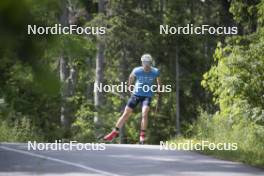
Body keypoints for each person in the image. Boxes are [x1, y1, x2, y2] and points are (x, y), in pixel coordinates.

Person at [103, 54, 161, 144]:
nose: (146, 65)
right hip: (136, 95)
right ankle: (115, 132)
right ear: (142, 63)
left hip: (147, 96)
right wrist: (129, 87)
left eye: (148, 63)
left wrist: (159, 88)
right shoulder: (137, 70)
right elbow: (131, 77)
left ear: (150, 63)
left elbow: (158, 79)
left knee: (145, 113)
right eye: (144, 63)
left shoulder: (155, 71)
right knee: (126, 113)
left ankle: (142, 136)